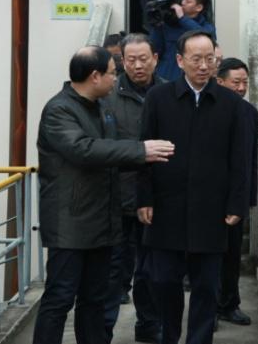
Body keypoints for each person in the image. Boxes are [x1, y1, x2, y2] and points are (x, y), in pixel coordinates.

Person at [32, 46, 175, 344]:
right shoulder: (59, 110)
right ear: (95, 76)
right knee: (60, 298)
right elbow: (83, 150)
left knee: (95, 299)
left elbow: (110, 155)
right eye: (112, 73)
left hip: (103, 221)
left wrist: (149, 158)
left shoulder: (101, 107)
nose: (116, 78)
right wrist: (140, 150)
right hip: (70, 225)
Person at [137, 30, 251, 344]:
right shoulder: (159, 98)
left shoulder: (230, 103)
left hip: (211, 207)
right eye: (196, 59)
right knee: (163, 280)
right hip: (166, 205)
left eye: (209, 59)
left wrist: (237, 203)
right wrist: (144, 198)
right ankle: (169, 336)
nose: (203, 66)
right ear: (179, 60)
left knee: (206, 284)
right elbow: (144, 150)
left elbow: (240, 160)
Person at [103, 34, 165, 343]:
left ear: (155, 58)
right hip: (116, 198)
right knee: (113, 272)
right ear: (122, 62)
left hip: (156, 199)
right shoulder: (108, 96)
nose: (138, 65)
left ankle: (149, 327)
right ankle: (101, 333)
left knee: (152, 271)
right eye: (131, 60)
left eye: (143, 59)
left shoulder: (169, 93)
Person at [215, 58, 258, 327]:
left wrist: (248, 198)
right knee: (208, 257)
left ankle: (229, 304)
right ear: (220, 82)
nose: (241, 87)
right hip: (210, 196)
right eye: (236, 82)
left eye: (245, 82)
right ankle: (209, 308)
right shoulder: (209, 109)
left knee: (232, 255)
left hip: (236, 196)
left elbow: (251, 160)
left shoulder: (249, 112)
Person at [150, 0, 215, 82]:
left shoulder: (207, 27)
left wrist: (182, 18)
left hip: (193, 80)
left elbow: (204, 36)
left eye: (187, 1)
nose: (182, 3)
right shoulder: (169, 25)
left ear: (199, 7)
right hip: (166, 77)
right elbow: (155, 49)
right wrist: (156, 26)